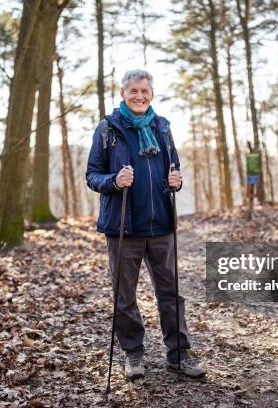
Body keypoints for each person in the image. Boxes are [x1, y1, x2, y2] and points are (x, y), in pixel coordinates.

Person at [86, 69, 206, 380]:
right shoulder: (108, 129)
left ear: (151, 94)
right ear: (123, 94)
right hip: (123, 228)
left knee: (171, 293)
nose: (140, 96)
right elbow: (92, 175)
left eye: (145, 91)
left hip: (161, 226)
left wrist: (175, 181)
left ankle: (178, 354)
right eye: (133, 91)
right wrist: (114, 180)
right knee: (124, 296)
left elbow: (173, 168)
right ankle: (133, 354)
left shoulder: (162, 128)